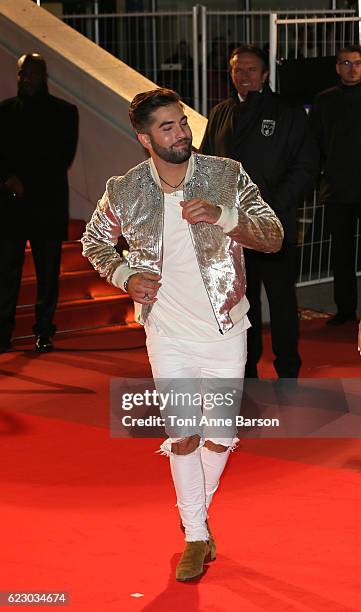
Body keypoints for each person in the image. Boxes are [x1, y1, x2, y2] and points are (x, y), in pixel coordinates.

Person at [81, 88, 283, 581]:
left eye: (182, 124)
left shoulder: (225, 175)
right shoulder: (125, 189)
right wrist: (125, 276)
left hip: (224, 329)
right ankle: (195, 534)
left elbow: (273, 234)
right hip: (166, 333)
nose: (181, 134)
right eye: (167, 127)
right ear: (144, 138)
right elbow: (93, 241)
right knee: (183, 435)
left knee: (219, 436)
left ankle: (195, 512)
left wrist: (223, 216)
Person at [200, 44, 319, 379]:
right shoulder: (222, 112)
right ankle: (245, 370)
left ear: (265, 74)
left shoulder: (288, 112)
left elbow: (307, 165)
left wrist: (272, 205)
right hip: (232, 228)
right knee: (241, 302)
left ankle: (288, 369)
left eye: (252, 69)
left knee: (281, 300)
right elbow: (208, 164)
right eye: (238, 70)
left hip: (273, 224)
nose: (244, 76)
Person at [0, 53, 79, 353]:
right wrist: (8, 178)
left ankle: (44, 331)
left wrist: (24, 182)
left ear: (43, 76)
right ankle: (2, 333)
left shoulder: (65, 112)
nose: (24, 79)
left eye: (30, 74)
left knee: (48, 275)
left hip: (47, 205)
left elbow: (61, 157)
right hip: (9, 206)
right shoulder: (4, 111)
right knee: (6, 272)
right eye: (21, 74)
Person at [310, 45, 361, 326]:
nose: (352, 68)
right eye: (346, 62)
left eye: (357, 63)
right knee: (341, 256)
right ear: (337, 67)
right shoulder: (324, 101)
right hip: (337, 189)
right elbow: (315, 143)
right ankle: (345, 310)